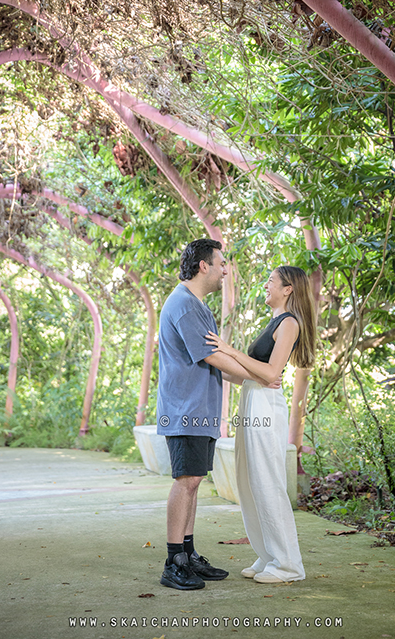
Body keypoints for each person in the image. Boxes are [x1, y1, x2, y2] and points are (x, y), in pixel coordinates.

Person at [157, 238, 273, 591]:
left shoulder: (198, 307)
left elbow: (217, 363)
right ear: (203, 265)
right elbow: (212, 356)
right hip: (185, 410)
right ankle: (173, 561)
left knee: (194, 481)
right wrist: (260, 375)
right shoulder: (184, 304)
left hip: (200, 409)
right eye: (221, 264)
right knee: (186, 481)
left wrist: (253, 379)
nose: (225, 271)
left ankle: (188, 553)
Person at [206, 265, 317, 584]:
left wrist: (228, 349)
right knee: (249, 482)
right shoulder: (274, 321)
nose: (266, 286)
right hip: (252, 400)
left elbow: (271, 373)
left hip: (266, 406)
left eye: (271, 281)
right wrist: (212, 362)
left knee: (267, 482)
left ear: (288, 289)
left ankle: (288, 564)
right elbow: (251, 375)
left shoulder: (290, 323)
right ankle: (268, 554)